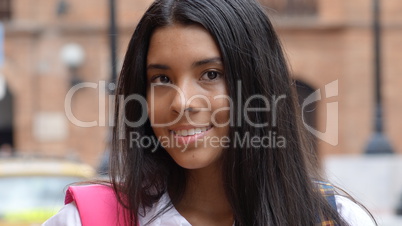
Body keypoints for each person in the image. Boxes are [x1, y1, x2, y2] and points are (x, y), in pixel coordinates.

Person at [44, 0, 376, 225]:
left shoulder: (335, 218)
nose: (182, 102)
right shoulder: (89, 219)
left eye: (211, 74)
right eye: (161, 78)